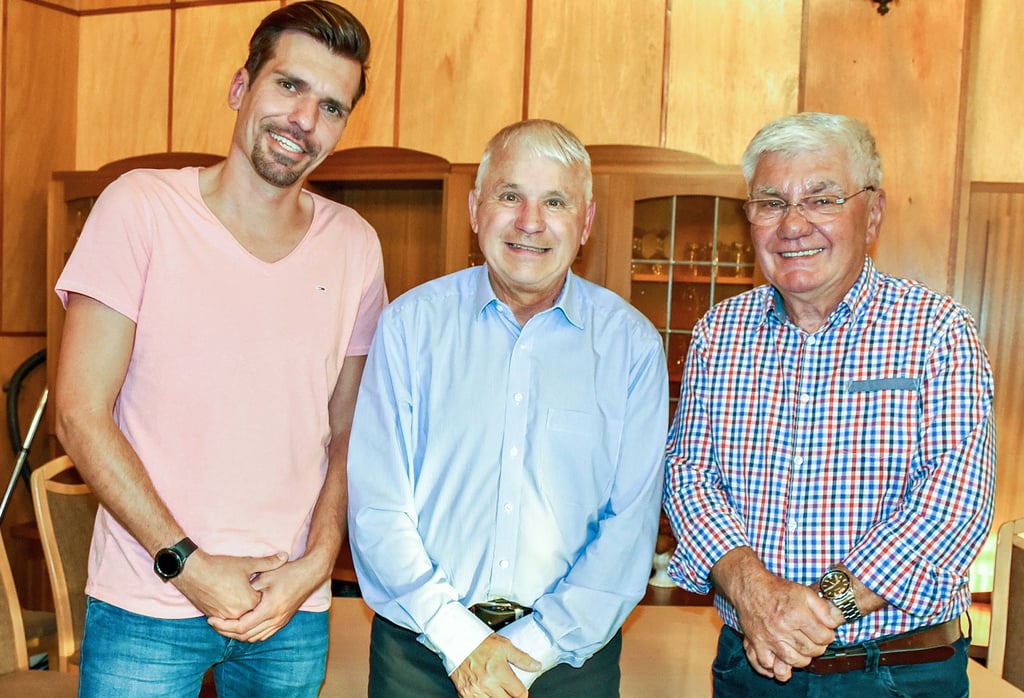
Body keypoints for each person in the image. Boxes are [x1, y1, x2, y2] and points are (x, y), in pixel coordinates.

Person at [53, 3, 386, 696]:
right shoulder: (140, 208)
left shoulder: (356, 243)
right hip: (148, 599)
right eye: (288, 86)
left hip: (290, 610)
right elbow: (80, 413)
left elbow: (352, 432)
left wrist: (317, 562)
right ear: (241, 87)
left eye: (331, 105)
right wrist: (188, 565)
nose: (304, 119)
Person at [663, 111, 996, 696]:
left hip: (897, 674)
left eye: (822, 199)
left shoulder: (937, 330)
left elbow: (953, 503)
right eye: (771, 202)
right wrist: (756, 596)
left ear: (872, 213)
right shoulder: (720, 332)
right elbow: (689, 477)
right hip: (751, 669)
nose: (794, 225)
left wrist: (814, 609)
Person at [347, 118, 668, 697]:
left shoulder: (632, 347)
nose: (530, 222)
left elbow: (630, 525)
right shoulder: (408, 328)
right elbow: (378, 505)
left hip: (570, 662)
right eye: (509, 196)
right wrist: (459, 639)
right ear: (475, 209)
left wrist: (533, 649)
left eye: (555, 201)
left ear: (586, 222)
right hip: (419, 652)